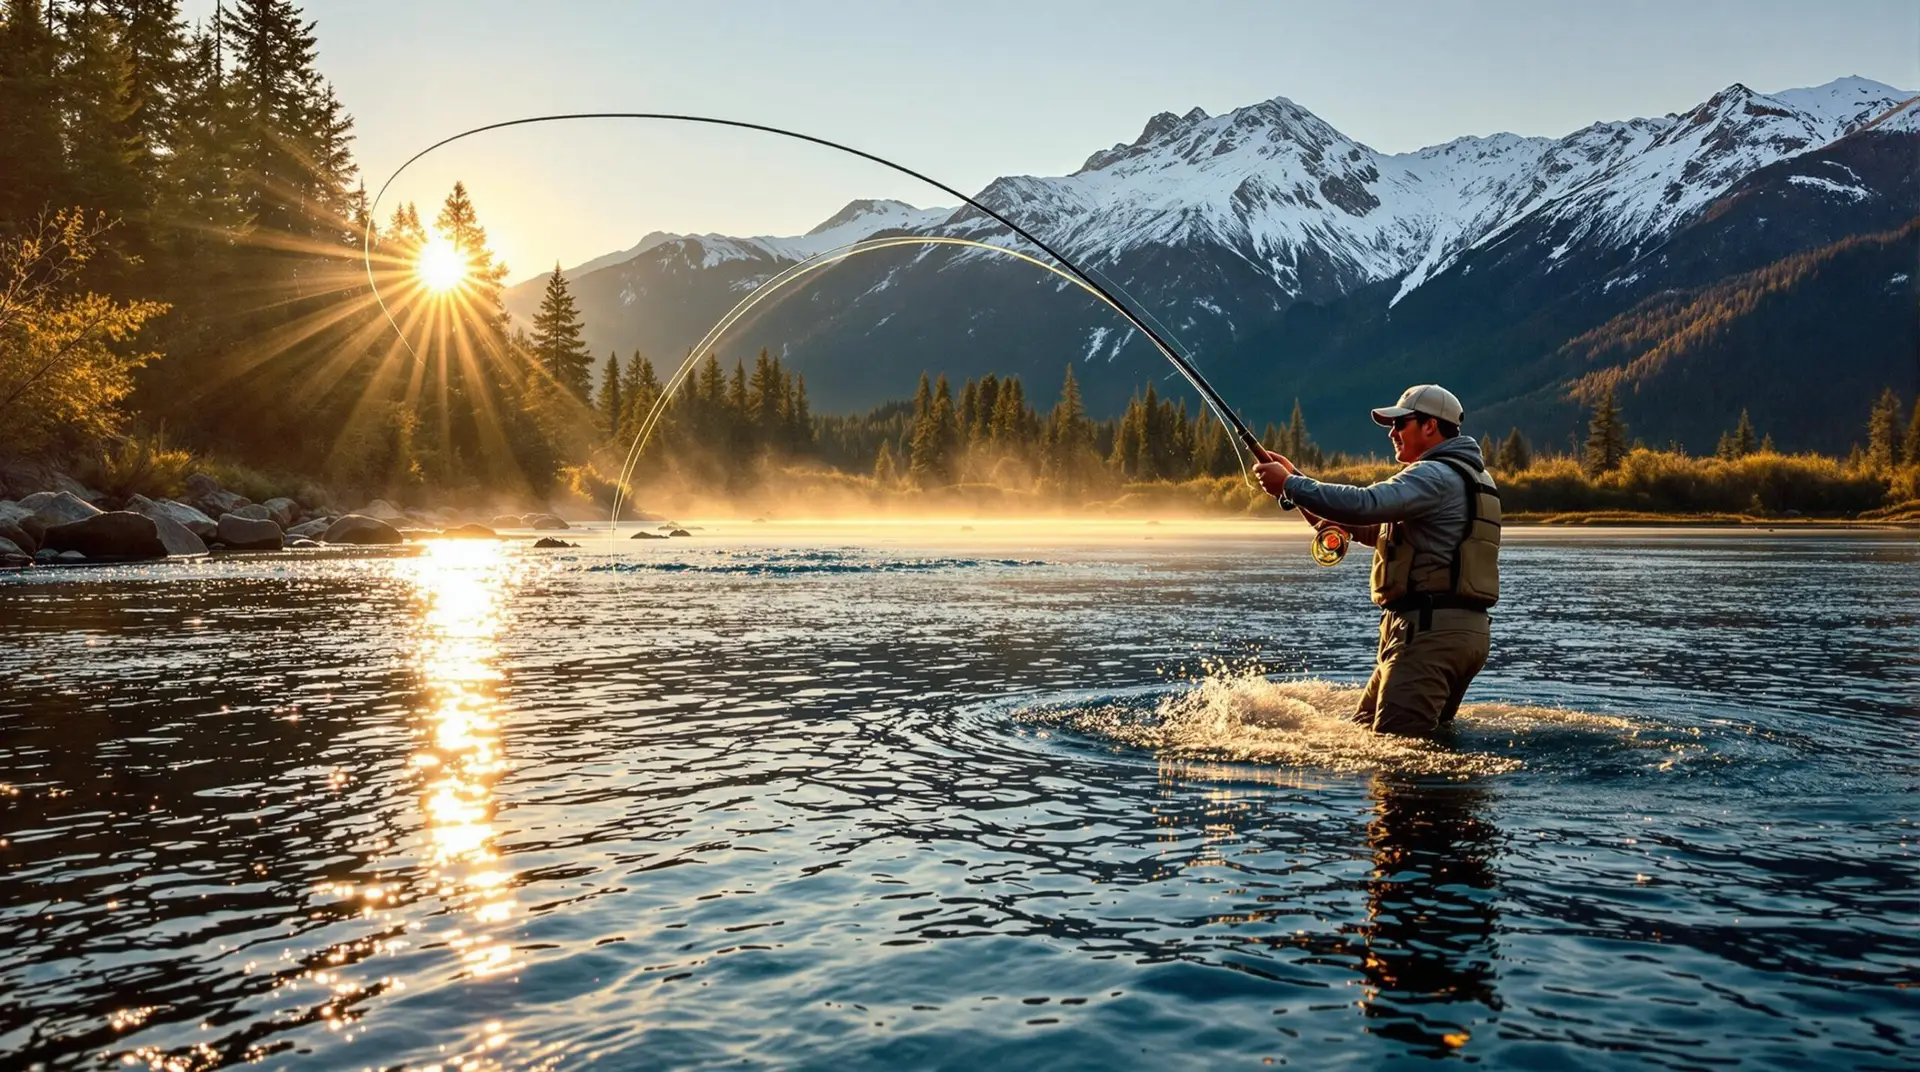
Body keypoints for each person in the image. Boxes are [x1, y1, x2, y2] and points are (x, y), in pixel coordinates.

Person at [1252, 385, 1501, 736]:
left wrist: (1291, 486)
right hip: (1456, 632)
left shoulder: (1433, 475)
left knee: (1397, 755)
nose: (1392, 433)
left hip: (1428, 634)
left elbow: (1364, 503)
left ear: (1430, 426)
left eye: (1401, 424)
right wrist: (1298, 483)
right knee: (1369, 731)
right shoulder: (1469, 477)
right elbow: (1369, 529)